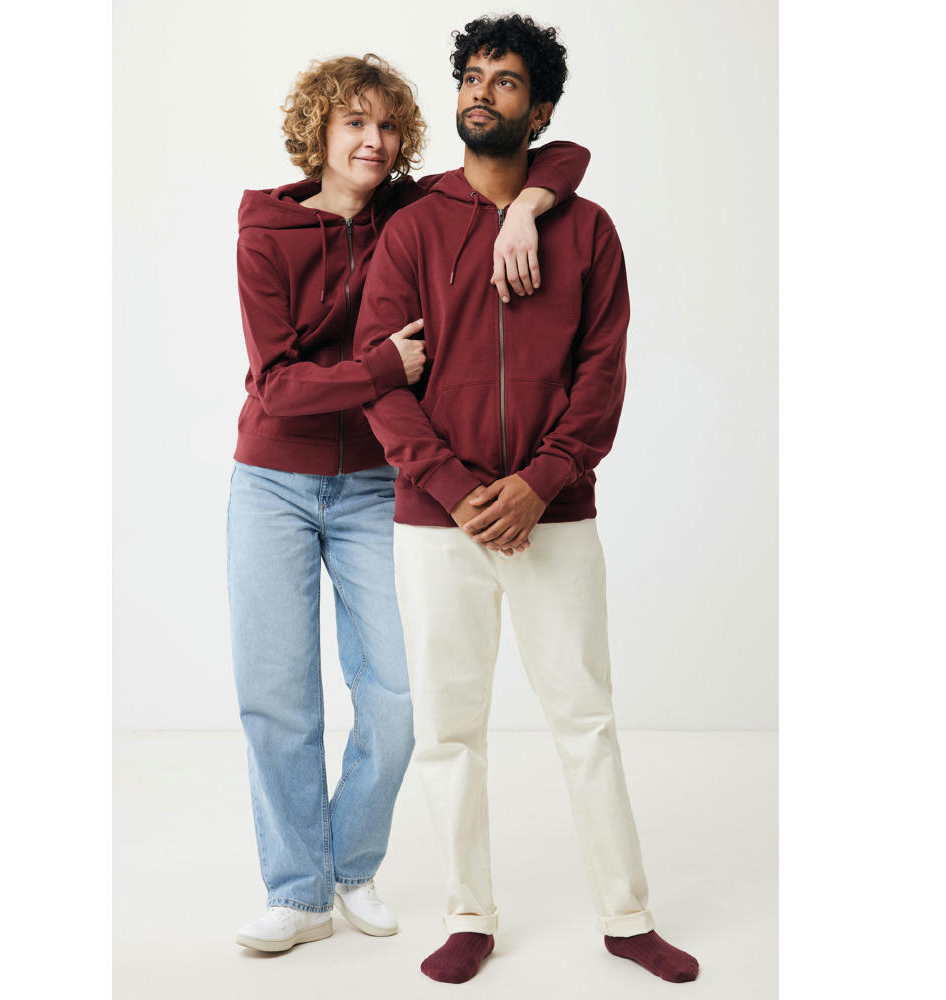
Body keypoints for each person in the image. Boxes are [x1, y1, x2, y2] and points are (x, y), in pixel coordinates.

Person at [354, 16, 700, 984]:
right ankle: (468, 912)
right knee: (447, 729)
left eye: (505, 80)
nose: (482, 90)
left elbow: (601, 375)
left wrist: (542, 479)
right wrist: (457, 487)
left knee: (584, 717)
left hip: (556, 516)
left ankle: (625, 917)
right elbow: (382, 379)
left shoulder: (586, 230)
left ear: (538, 110)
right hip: (439, 523)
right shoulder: (412, 227)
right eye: (472, 75)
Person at [227, 52, 590, 954]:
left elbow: (558, 155)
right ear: (318, 132)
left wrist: (527, 209)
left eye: (389, 126)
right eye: (354, 123)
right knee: (278, 698)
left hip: (375, 484)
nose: (375, 141)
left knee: (397, 697)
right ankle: (298, 891)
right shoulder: (265, 231)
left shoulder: (410, 208)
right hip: (271, 480)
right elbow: (276, 389)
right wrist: (382, 369)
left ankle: (352, 865)